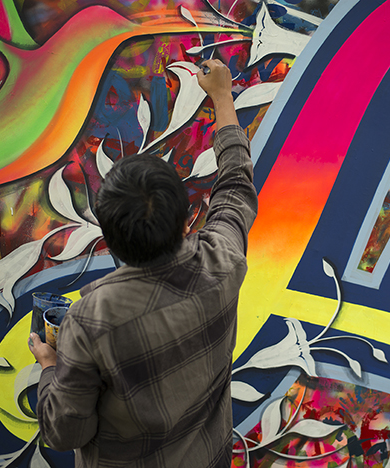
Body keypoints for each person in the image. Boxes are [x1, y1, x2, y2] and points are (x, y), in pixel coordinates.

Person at [28, 58, 258, 468]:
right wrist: (222, 96)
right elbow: (236, 185)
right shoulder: (221, 261)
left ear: (110, 237)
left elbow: (66, 432)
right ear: (184, 217)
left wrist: (50, 366)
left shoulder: (91, 321)